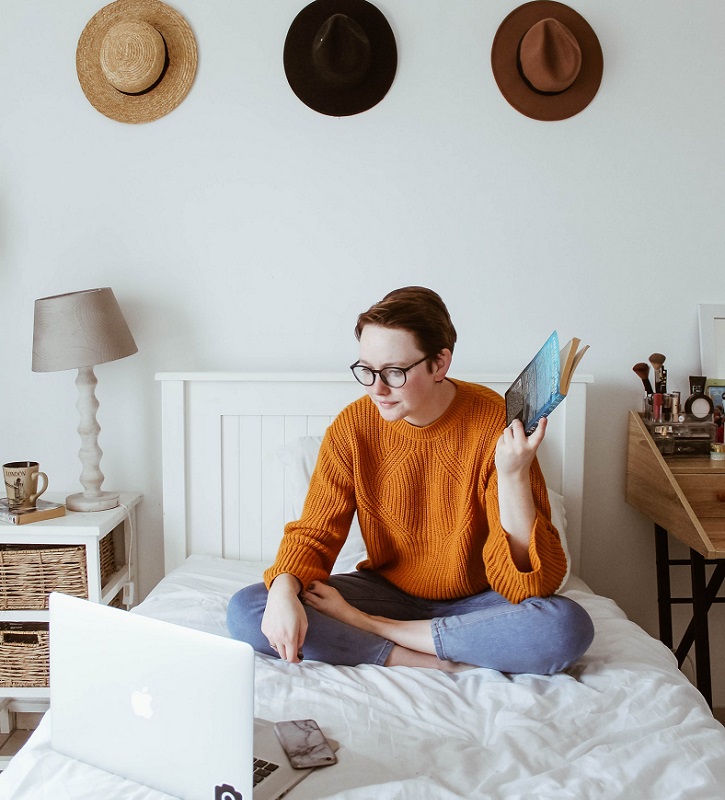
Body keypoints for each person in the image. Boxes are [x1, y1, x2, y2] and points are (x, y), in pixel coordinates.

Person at [227, 287, 594, 674]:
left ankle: (379, 631)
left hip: (480, 600)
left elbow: (530, 586)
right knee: (248, 608)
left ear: (439, 364)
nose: (376, 388)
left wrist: (513, 474)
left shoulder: (493, 423)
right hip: (387, 591)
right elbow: (315, 533)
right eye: (366, 370)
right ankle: (425, 657)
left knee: (564, 626)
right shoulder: (353, 427)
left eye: (394, 372)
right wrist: (285, 587)